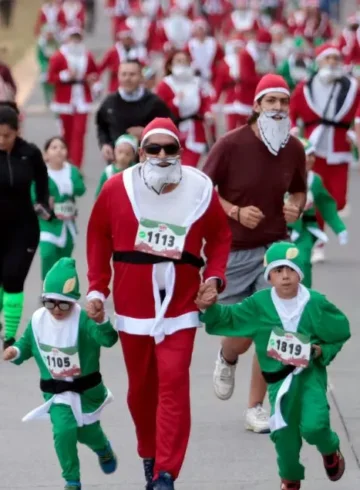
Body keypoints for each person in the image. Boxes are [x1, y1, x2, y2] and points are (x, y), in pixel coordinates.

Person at [86, 117, 232, 490]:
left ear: (181, 152)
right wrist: (98, 289)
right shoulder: (118, 187)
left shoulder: (200, 187)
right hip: (133, 306)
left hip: (181, 304)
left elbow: (219, 236)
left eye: (171, 149)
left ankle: (167, 472)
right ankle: (149, 454)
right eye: (154, 148)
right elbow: (99, 235)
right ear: (141, 152)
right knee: (140, 391)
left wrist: (214, 278)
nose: (163, 156)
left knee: (173, 383)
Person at [197, 241, 350, 490]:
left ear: (300, 273)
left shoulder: (315, 303)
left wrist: (323, 350)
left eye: (291, 270)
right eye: (278, 271)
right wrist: (209, 309)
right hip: (278, 382)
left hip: (309, 376)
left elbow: (340, 330)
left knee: (315, 425)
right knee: (284, 438)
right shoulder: (259, 304)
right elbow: (230, 318)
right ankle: (290, 479)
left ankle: (330, 448)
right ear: (269, 275)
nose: (286, 277)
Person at [202, 74, 306, 433]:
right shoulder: (230, 144)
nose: (277, 108)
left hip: (275, 250)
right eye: (270, 101)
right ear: (257, 105)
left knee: (269, 328)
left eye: (283, 102)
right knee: (241, 333)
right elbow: (204, 190)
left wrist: (296, 206)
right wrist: (235, 212)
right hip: (234, 250)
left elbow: (299, 192)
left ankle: (255, 408)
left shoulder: (294, 148)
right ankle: (227, 355)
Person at [3, 257, 118, 490]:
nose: (56, 310)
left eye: (63, 304)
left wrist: (103, 321)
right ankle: (72, 481)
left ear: (73, 302)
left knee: (86, 432)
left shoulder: (83, 319)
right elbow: (27, 344)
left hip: (86, 391)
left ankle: (102, 447)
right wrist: (14, 351)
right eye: (50, 303)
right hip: (56, 392)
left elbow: (108, 339)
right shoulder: (38, 319)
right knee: (63, 430)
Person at [290, 43, 360, 264]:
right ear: (319, 62)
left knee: (337, 201)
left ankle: (318, 230)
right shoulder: (304, 88)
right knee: (315, 196)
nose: (332, 63)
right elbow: (293, 112)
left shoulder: (352, 87)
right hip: (313, 150)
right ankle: (317, 242)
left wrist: (356, 129)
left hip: (339, 150)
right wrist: (292, 131)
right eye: (328, 59)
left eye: (336, 59)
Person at [0, 106, 51, 349]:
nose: (1, 141)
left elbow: (42, 180)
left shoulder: (30, 153)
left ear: (17, 132)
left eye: (6, 136)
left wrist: (42, 202)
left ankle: (9, 336)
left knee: (12, 278)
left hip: (24, 228)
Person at [288, 137, 347, 288]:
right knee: (280, 265)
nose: (309, 159)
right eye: (304, 155)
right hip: (281, 231)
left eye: (312, 155)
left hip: (305, 230)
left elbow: (326, 205)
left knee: (304, 261)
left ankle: (305, 296)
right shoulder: (280, 178)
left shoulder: (315, 180)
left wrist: (339, 228)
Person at [96, 59, 174, 163]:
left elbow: (169, 127)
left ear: (141, 77)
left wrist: (146, 132)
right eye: (124, 74)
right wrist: (104, 144)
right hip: (118, 165)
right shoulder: (110, 102)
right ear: (118, 76)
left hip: (147, 163)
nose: (127, 78)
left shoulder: (154, 103)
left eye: (132, 74)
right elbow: (102, 126)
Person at [48, 27, 101, 168]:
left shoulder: (87, 55)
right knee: (67, 133)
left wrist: (94, 83)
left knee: (79, 133)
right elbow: (51, 78)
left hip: (82, 98)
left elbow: (95, 73)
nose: (75, 41)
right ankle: (65, 162)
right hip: (65, 99)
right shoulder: (58, 56)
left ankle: (76, 166)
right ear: (67, 39)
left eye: (78, 38)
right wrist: (64, 75)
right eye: (73, 37)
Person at [35, 136, 86, 282]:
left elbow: (81, 190)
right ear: (46, 154)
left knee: (64, 259)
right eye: (54, 147)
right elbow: (33, 195)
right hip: (47, 223)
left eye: (62, 147)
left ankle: (62, 292)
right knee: (47, 254)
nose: (59, 151)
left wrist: (71, 184)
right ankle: (47, 288)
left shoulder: (72, 171)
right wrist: (45, 202)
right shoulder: (41, 173)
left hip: (67, 223)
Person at [157, 50, 215, 168]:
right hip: (173, 131)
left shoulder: (196, 82)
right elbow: (160, 109)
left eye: (185, 61)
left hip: (194, 131)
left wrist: (207, 112)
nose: (182, 64)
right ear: (170, 65)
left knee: (189, 167)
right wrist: (175, 102)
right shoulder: (165, 85)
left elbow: (205, 100)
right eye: (178, 61)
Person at [99, 30, 148, 94]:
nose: (128, 41)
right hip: (116, 84)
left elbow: (144, 66)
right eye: (126, 38)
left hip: (133, 85)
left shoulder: (136, 52)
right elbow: (101, 67)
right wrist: (97, 82)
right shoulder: (113, 52)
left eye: (130, 38)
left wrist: (149, 76)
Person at [36, 25, 60, 107]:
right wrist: (44, 65)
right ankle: (48, 99)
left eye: (51, 34)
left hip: (55, 65)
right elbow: (40, 57)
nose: (49, 36)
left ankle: (55, 98)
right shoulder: (41, 44)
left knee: (55, 82)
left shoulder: (56, 43)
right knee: (45, 82)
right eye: (48, 34)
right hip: (46, 65)